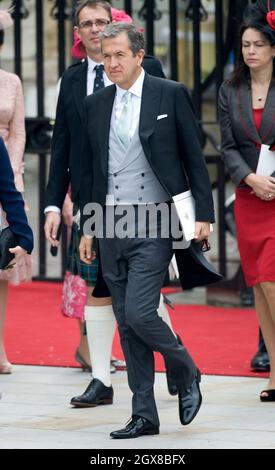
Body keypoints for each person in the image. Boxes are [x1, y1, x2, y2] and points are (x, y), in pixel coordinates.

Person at [79, 23, 219, 439]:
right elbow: (89, 171)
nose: (112, 63)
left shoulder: (169, 93)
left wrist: (204, 214)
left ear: (139, 55)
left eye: (120, 54)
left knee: (141, 312)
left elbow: (195, 156)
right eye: (106, 56)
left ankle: (185, 366)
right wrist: (89, 227)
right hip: (109, 223)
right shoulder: (95, 103)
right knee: (126, 323)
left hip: (156, 219)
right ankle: (145, 414)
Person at [44, 0, 179, 407]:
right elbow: (62, 145)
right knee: (98, 287)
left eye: (102, 21)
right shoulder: (70, 80)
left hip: (142, 201)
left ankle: (174, 359)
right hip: (92, 203)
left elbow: (167, 138)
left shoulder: (147, 69)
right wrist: (54, 203)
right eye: (86, 24)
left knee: (144, 289)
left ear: (115, 24)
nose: (94, 28)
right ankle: (101, 378)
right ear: (78, 33)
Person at [219, 0, 275, 402]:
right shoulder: (230, 89)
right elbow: (227, 146)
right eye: (245, 45)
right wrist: (250, 177)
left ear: (273, 48)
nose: (251, 51)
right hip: (248, 196)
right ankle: (274, 372)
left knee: (272, 282)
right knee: (257, 285)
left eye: (258, 44)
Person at [0, 9, 31, 374]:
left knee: (2, 270)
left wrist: (10, 174)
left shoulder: (11, 82)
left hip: (5, 178)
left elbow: (19, 132)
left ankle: (0, 346)